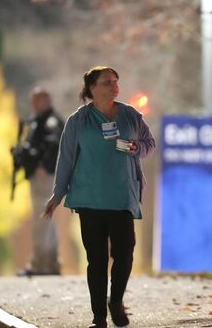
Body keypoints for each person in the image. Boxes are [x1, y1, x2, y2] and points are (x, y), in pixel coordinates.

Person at [43, 66, 155, 328]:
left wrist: (137, 147)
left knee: (125, 253)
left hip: (122, 197)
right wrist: (58, 194)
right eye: (107, 82)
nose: (114, 86)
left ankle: (115, 300)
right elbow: (66, 159)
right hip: (89, 198)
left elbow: (150, 144)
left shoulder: (130, 115)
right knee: (97, 260)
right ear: (92, 88)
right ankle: (98, 318)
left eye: (116, 82)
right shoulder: (78, 121)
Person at [11, 87, 64, 276]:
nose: (33, 105)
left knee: (42, 219)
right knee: (44, 220)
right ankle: (49, 263)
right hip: (38, 175)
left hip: (45, 177)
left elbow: (55, 146)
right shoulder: (37, 121)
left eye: (37, 101)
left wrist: (44, 165)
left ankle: (41, 264)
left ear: (46, 100)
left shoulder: (50, 122)